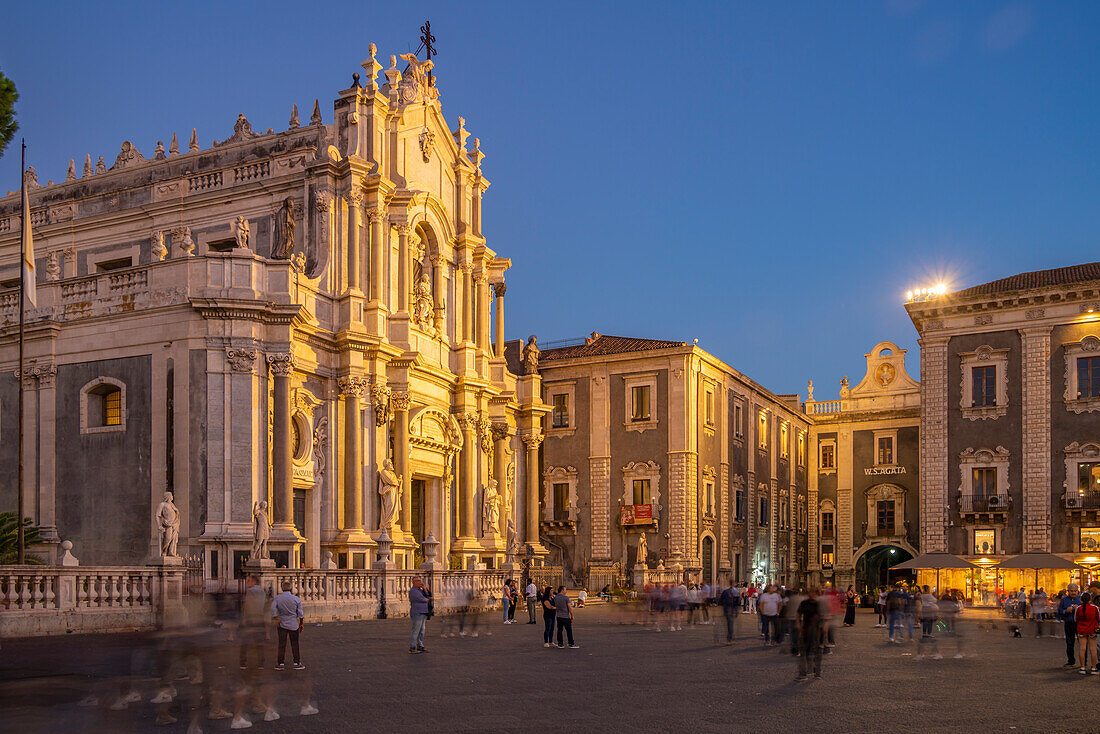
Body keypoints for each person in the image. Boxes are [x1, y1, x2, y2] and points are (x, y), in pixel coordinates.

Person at [270, 581, 304, 670]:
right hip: (293, 623)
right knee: (295, 643)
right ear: (291, 589)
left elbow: (273, 609)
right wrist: (301, 623)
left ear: (282, 589)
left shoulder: (278, 598)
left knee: (282, 643)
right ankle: (296, 662)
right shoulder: (296, 599)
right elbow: (300, 613)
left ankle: (280, 663)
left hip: (282, 623)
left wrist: (276, 618)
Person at [239, 575, 268, 670]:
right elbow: (265, 606)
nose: (247, 583)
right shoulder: (263, 592)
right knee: (259, 642)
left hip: (250, 619)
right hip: (260, 618)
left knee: (245, 641)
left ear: (254, 582)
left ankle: (243, 662)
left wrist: (244, 618)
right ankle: (261, 663)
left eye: (249, 581)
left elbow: (248, 605)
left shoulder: (250, 592)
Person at [796, 588, 824, 681]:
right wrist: (799, 625)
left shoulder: (818, 604)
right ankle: (803, 673)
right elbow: (798, 614)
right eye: (810, 593)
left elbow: (823, 616)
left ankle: (817, 672)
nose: (812, 594)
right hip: (805, 629)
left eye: (813, 593)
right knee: (804, 652)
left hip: (816, 631)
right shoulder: (804, 603)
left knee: (816, 652)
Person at [1058, 584, 1082, 668]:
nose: (1073, 593)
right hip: (1069, 624)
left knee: (1082, 643)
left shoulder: (1081, 599)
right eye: (1071, 591)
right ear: (1068, 591)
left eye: (1075, 591)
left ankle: (1084, 663)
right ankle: (1071, 661)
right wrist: (1066, 611)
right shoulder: (1064, 600)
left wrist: (1078, 608)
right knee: (1069, 643)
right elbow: (1059, 611)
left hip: (1079, 624)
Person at [1075, 592, 1099, 675]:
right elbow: (1098, 618)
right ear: (1090, 599)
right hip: (1092, 630)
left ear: (1081, 600)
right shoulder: (1095, 608)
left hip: (1081, 630)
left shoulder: (1079, 608)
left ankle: (1082, 667)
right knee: (1093, 649)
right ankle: (1093, 667)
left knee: (1082, 648)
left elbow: (1076, 619)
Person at [408, 576, 432, 653]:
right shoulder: (413, 591)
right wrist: (427, 599)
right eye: (418, 581)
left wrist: (424, 588)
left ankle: (420, 645)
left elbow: (428, 595)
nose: (420, 582)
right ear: (414, 582)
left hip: (423, 611)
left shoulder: (420, 590)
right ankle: (412, 647)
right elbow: (423, 599)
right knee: (416, 630)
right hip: (417, 612)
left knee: (422, 630)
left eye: (420, 580)